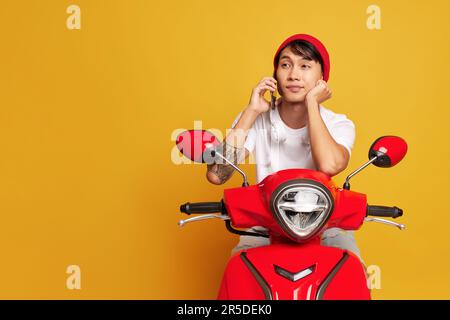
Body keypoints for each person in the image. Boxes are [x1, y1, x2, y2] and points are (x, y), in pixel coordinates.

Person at [206, 33, 363, 264]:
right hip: (264, 225)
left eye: (305, 66)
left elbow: (329, 165)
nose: (293, 75)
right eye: (285, 65)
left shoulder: (339, 123)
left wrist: (312, 103)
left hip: (325, 225)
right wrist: (251, 111)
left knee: (352, 274)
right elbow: (217, 174)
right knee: (240, 272)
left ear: (322, 78)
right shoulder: (256, 117)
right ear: (275, 75)